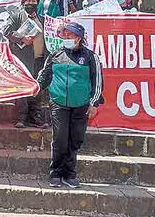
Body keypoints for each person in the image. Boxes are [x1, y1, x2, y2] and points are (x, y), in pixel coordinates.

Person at [37, 22, 103, 188]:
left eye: (70, 35)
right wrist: (33, 88)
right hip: (58, 103)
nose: (66, 38)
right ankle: (56, 173)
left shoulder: (90, 57)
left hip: (81, 105)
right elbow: (43, 77)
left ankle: (70, 174)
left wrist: (94, 103)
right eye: (64, 35)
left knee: (75, 140)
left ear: (79, 38)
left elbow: (98, 82)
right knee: (59, 139)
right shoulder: (54, 55)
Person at [2, 0, 46, 128]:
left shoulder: (42, 19)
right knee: (23, 87)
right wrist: (21, 38)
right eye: (28, 2)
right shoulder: (16, 16)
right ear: (23, 3)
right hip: (23, 59)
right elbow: (6, 31)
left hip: (39, 59)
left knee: (37, 88)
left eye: (34, 2)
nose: (31, 4)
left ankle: (35, 118)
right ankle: (21, 118)